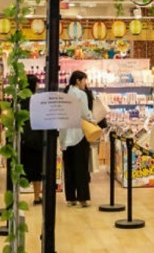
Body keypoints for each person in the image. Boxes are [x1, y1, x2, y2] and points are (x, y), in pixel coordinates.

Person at [60, 70, 94, 208]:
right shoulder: (81, 94)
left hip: (65, 135)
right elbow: (85, 113)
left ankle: (70, 198)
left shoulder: (65, 93)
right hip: (79, 134)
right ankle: (82, 198)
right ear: (78, 81)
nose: (85, 83)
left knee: (68, 167)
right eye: (84, 80)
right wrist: (93, 120)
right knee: (81, 167)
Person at [21, 74, 44, 205]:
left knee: (22, 167)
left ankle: (16, 197)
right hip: (36, 138)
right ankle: (36, 196)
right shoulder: (37, 100)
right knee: (37, 169)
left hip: (22, 138)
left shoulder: (19, 100)